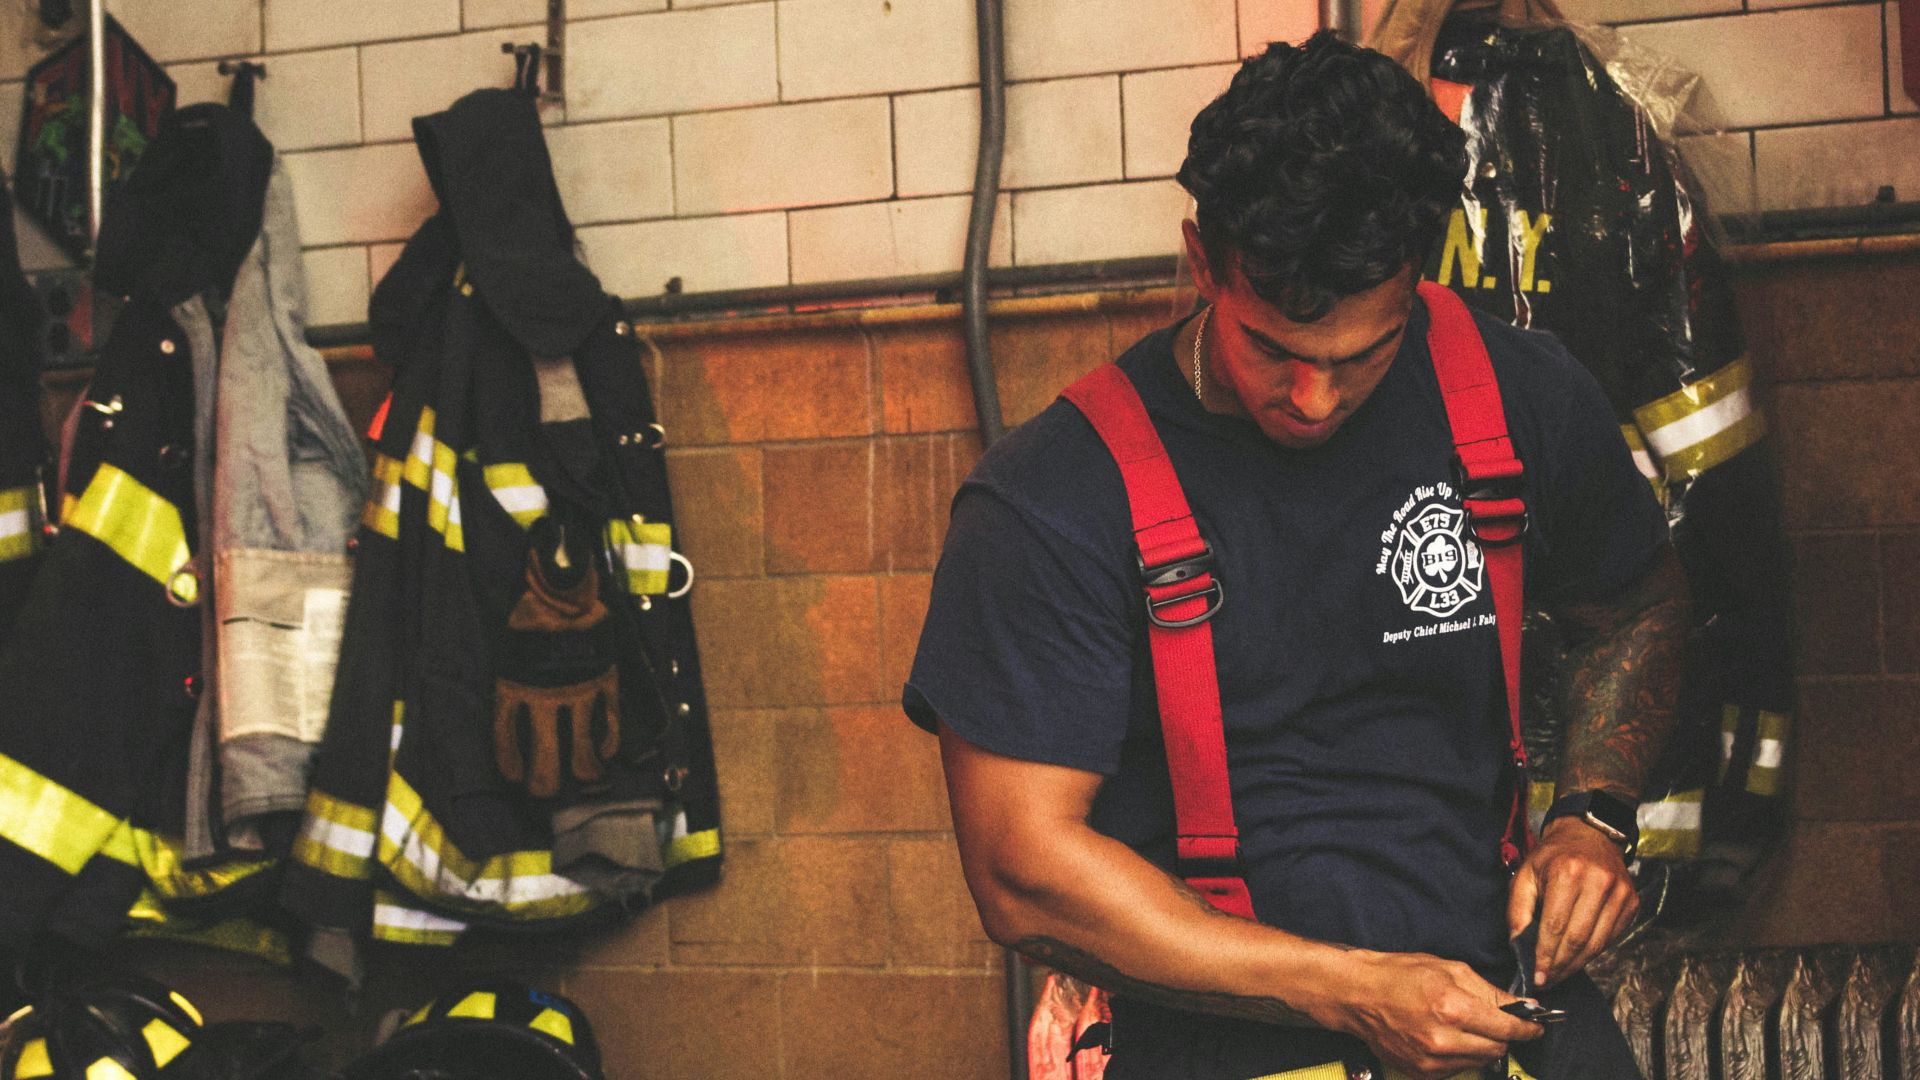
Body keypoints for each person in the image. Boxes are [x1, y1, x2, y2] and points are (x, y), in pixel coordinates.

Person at [902, 32, 1688, 1080]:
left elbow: (1637, 602)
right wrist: (1354, 991)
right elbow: (1022, 874)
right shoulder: (1053, 499)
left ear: (1416, 275)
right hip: (1223, 1032)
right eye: (1270, 348)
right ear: (1201, 262)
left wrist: (1591, 817)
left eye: (1362, 355)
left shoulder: (1512, 394)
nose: (1313, 400)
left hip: (1495, 1006)